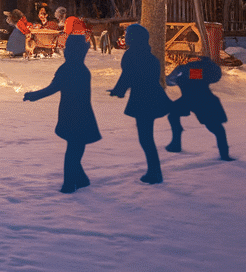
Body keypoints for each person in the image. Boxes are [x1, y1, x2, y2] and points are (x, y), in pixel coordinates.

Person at [23, 35, 102, 192]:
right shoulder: (80, 69)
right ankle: (77, 181)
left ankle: (73, 183)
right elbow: (54, 88)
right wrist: (34, 95)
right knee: (75, 150)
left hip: (72, 115)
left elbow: (52, 88)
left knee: (74, 151)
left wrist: (34, 95)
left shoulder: (68, 68)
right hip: (81, 116)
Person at [109, 24, 174, 184]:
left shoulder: (131, 55)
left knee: (145, 138)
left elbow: (128, 76)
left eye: (127, 34)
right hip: (155, 97)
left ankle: (155, 173)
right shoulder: (149, 55)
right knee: (147, 137)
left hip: (143, 100)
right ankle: (154, 171)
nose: (125, 37)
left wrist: (118, 91)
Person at [165, 51, 233, 161]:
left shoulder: (188, 69)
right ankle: (176, 144)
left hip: (202, 100)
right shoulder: (187, 69)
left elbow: (170, 80)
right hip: (193, 99)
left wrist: (181, 76)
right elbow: (169, 81)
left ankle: (224, 154)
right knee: (173, 115)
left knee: (215, 127)